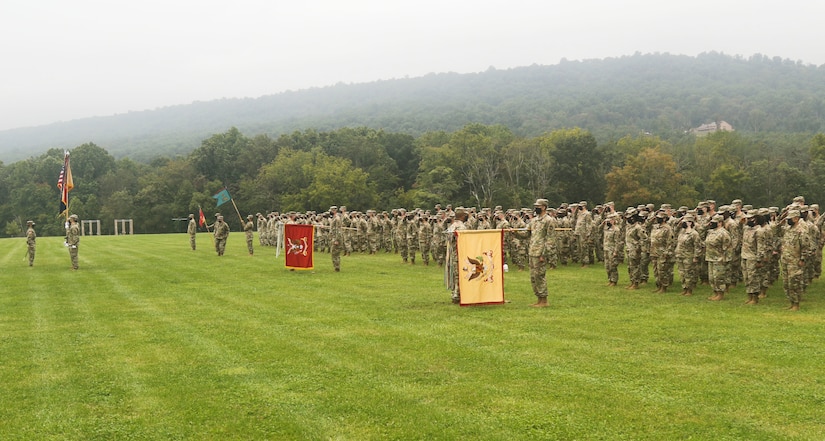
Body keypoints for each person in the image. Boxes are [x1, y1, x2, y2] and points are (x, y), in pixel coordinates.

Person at [517, 199, 556, 307]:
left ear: (543, 207)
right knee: (533, 277)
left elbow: (550, 239)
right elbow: (526, 234)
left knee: (540, 275)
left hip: (540, 252)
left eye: (538, 206)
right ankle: (539, 298)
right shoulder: (534, 221)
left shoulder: (549, 220)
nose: (535, 208)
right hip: (532, 251)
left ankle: (544, 300)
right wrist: (515, 233)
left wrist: (544, 253)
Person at [780, 209, 812, 311]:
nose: (788, 220)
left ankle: (796, 304)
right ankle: (791, 302)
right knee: (786, 283)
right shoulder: (788, 229)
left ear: (797, 218)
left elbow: (805, 247)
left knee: (794, 283)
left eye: (790, 218)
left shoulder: (801, 231)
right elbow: (775, 230)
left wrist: (802, 259)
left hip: (795, 261)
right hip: (785, 260)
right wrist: (781, 218)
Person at [705, 214, 731, 301]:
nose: (711, 224)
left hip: (719, 258)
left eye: (714, 222)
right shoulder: (711, 232)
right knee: (712, 278)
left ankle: (720, 294)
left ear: (720, 223)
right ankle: (715, 292)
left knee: (718, 277)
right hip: (710, 257)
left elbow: (727, 247)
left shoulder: (724, 233)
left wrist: (725, 259)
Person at [602, 213, 622, 286]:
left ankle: (614, 281)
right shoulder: (606, 228)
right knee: (607, 266)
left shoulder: (616, 230)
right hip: (606, 249)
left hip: (612, 250)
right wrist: (603, 223)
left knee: (612, 266)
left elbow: (617, 242)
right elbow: (598, 229)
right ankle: (610, 279)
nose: (608, 222)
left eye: (609, 220)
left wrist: (616, 251)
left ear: (613, 221)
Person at [329, 206, 344, 272]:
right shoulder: (334, 218)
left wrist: (336, 240)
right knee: (335, 253)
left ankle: (337, 267)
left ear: (334, 211)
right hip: (335, 237)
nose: (330, 212)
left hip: (336, 238)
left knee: (335, 253)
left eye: (331, 210)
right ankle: (336, 267)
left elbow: (338, 230)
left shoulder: (337, 218)